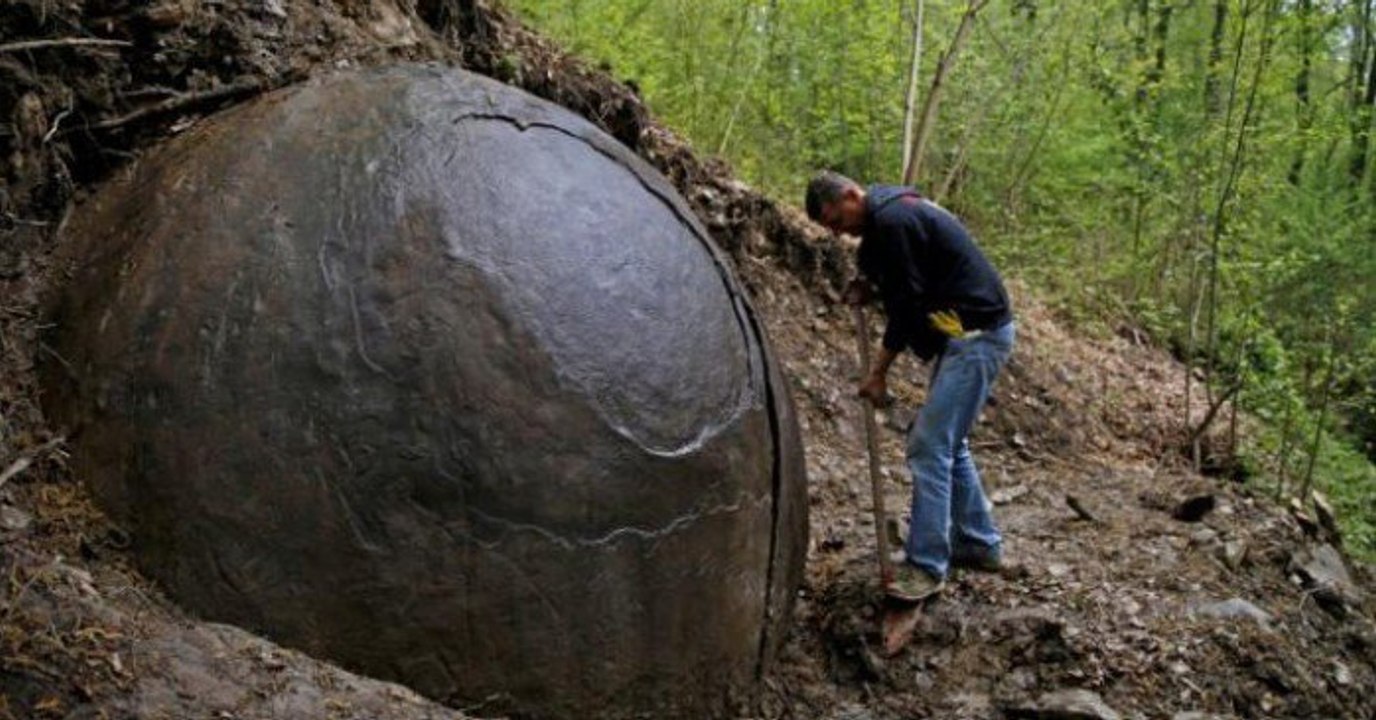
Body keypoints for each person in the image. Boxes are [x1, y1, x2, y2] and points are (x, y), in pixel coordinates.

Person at [805, 171, 1015, 601]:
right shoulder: (888, 221)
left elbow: (907, 306)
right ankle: (978, 543)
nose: (837, 232)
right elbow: (903, 278)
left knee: (929, 445)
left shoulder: (895, 220)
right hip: (964, 336)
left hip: (977, 336)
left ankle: (926, 566)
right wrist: (869, 284)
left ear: (850, 195)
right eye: (829, 228)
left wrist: (879, 371)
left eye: (836, 221)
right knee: (948, 444)